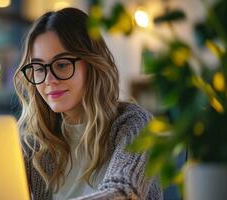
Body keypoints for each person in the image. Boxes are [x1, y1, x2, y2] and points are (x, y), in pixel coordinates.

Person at [13, 7, 162, 200]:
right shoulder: (34, 143)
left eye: (62, 64)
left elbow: (124, 193)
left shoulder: (134, 123)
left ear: (92, 65)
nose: (49, 80)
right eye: (39, 68)